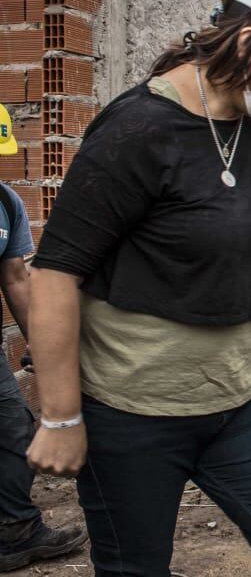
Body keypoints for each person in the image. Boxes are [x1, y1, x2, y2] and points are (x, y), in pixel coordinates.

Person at [25, 0, 251, 576]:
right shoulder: (138, 131)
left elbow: (248, 223)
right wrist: (60, 416)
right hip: (132, 411)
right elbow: (55, 271)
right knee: (135, 567)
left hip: (233, 398)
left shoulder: (249, 123)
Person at [0, 105, 87, 571]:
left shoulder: (6, 202)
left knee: (13, 428)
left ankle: (15, 531)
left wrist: (40, 342)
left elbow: (15, 278)